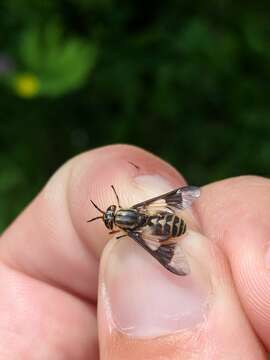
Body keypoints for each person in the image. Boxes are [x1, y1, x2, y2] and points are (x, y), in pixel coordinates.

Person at [0, 144, 269, 359]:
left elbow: (154, 242)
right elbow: (172, 201)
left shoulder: (128, 232)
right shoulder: (137, 211)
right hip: (162, 220)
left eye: (111, 214)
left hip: (163, 228)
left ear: (116, 216)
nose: (111, 214)